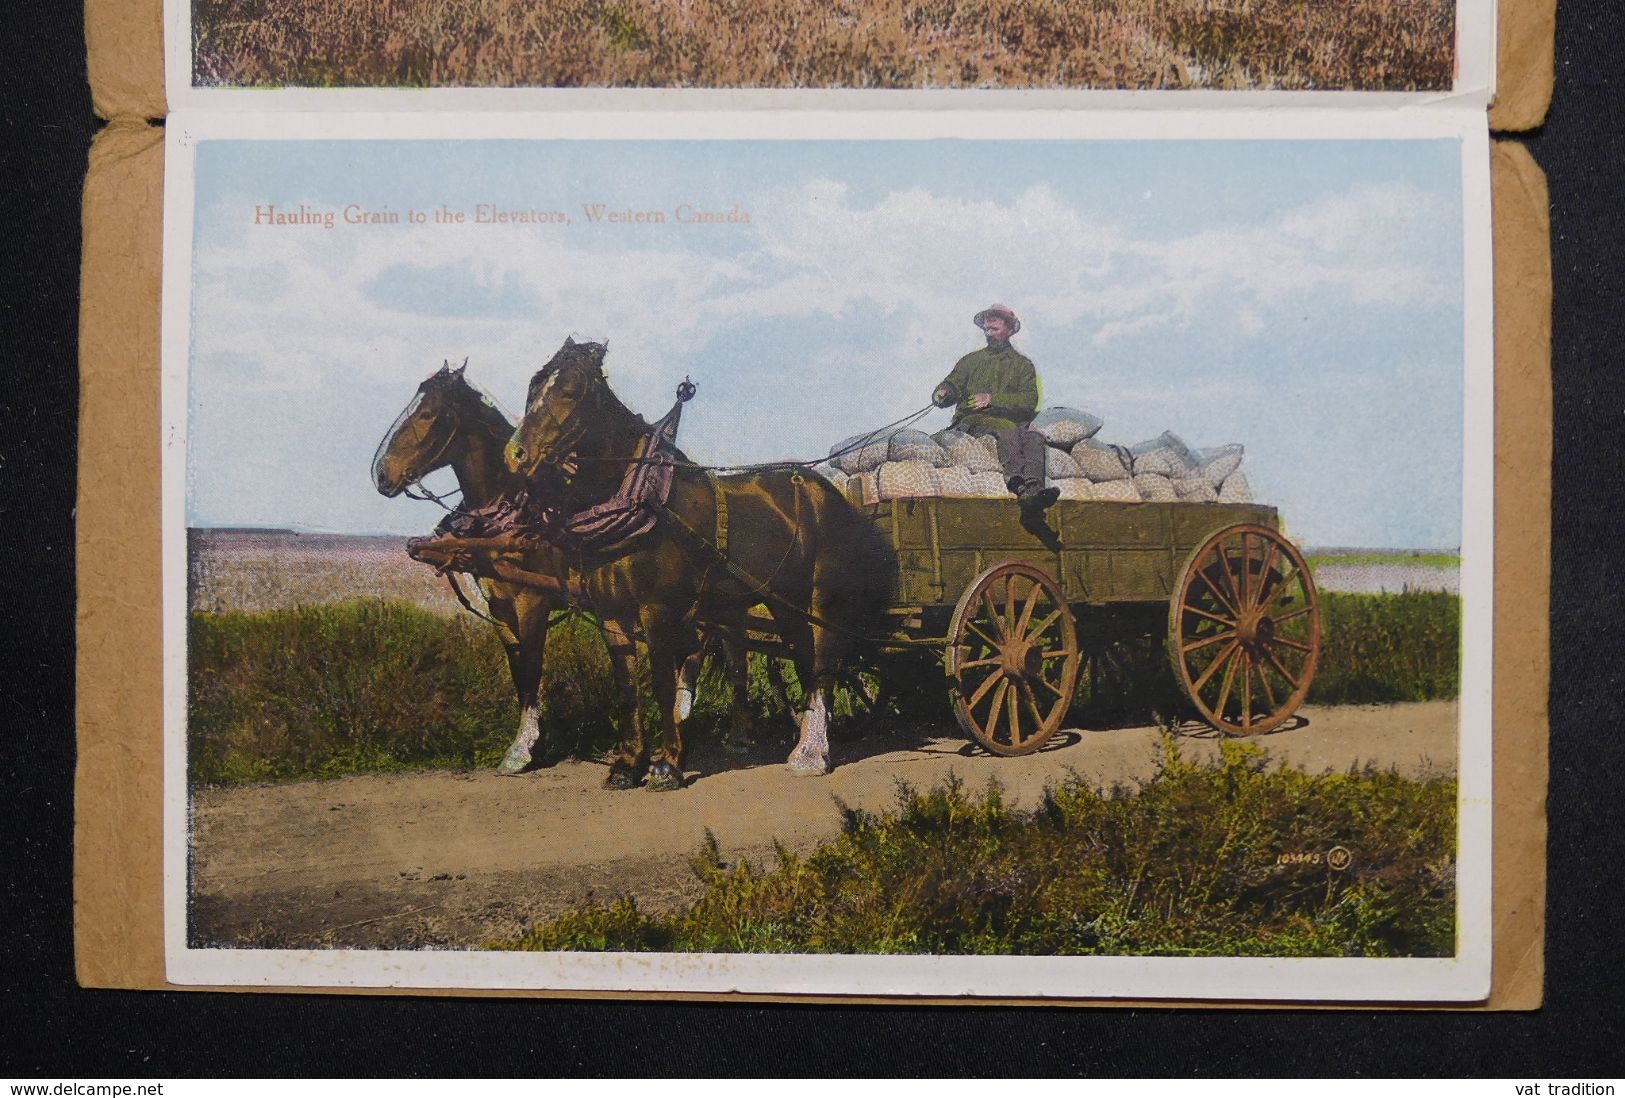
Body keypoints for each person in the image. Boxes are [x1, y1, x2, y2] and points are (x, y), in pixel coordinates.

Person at [932, 304, 1060, 511]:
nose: (989, 334)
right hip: (973, 420)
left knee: (1034, 438)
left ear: (1009, 330)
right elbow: (951, 385)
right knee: (1005, 428)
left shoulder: (1023, 365)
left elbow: (1029, 400)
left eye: (995, 329)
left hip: (1015, 422)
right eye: (986, 330)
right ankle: (1017, 483)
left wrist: (993, 399)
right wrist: (942, 393)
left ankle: (1035, 490)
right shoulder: (971, 361)